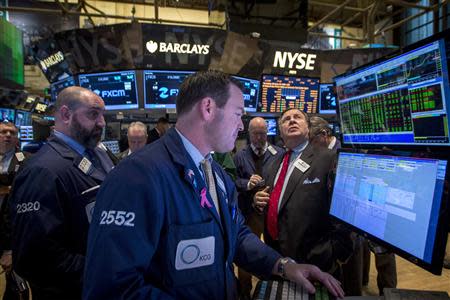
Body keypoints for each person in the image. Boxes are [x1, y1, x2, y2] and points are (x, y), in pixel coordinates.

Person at [83, 71, 344, 300]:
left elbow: (237, 234)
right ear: (208, 108)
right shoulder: (136, 177)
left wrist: (282, 265)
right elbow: (113, 288)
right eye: (238, 114)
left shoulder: (215, 172)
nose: (241, 126)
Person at [9, 86, 115, 300]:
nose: (102, 122)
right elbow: (34, 258)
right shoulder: (42, 171)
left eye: (102, 115)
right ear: (66, 114)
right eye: (94, 114)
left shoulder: (100, 155)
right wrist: (102, 270)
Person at [254, 108, 353, 275]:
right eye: (286, 119)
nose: (292, 121)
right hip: (277, 259)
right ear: (280, 130)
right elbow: (277, 201)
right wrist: (257, 201)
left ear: (307, 128)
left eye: (297, 117)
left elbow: (345, 211)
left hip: (315, 262)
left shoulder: (328, 158)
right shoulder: (273, 163)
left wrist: (333, 255)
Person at [233, 117, 283, 299]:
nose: (260, 137)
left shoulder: (279, 153)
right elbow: (233, 182)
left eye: (263, 133)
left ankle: (272, 291)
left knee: (275, 254)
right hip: (250, 213)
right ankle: (245, 293)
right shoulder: (240, 155)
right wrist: (247, 184)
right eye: (256, 133)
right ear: (249, 133)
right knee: (246, 254)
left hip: (272, 213)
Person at [0, 122, 29, 300]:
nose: (8, 135)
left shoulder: (26, 160)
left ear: (17, 138)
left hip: (11, 231)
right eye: (3, 132)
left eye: (12, 132)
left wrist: (10, 249)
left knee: (16, 287)